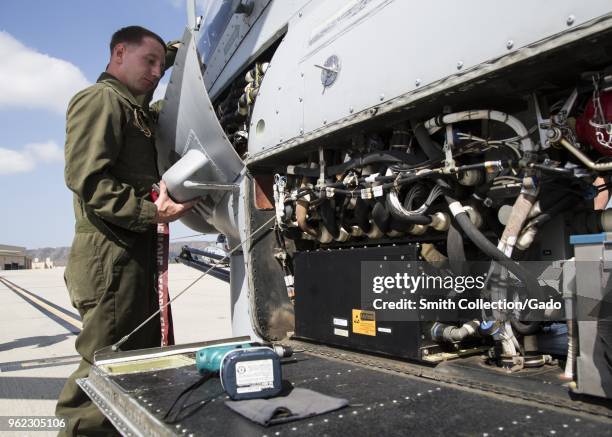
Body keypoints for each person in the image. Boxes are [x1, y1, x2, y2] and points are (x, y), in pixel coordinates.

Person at [55, 26, 195, 436]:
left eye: (159, 64)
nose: (155, 72)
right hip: (111, 257)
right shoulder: (101, 100)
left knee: (141, 366)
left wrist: (179, 50)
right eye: (146, 62)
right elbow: (88, 180)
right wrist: (152, 214)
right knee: (105, 373)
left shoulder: (137, 111)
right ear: (118, 54)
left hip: (132, 256)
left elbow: (159, 73)